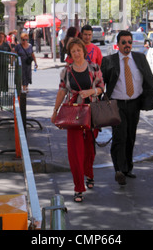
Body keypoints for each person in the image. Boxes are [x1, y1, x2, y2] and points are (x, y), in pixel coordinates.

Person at [51, 37, 104, 203]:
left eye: (78, 50)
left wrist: (91, 92)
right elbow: (61, 91)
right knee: (74, 153)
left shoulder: (94, 68)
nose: (76, 53)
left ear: (84, 51)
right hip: (73, 114)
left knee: (89, 149)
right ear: (70, 54)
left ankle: (89, 173)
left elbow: (101, 88)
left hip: (92, 113)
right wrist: (55, 111)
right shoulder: (66, 71)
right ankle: (78, 188)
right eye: (73, 51)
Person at [101, 30, 153, 185]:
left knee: (130, 136)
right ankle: (119, 170)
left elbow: (148, 79)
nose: (127, 45)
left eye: (129, 42)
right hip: (116, 105)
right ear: (118, 44)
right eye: (123, 42)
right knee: (120, 137)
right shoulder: (109, 61)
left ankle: (127, 168)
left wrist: (148, 100)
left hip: (134, 104)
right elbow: (101, 83)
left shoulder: (140, 58)